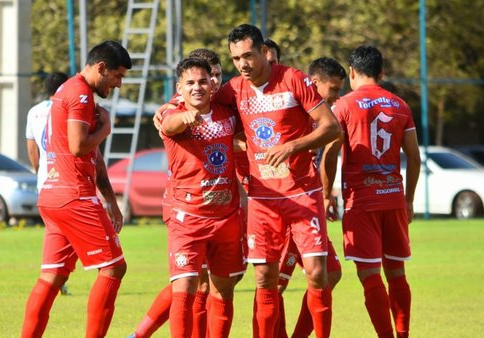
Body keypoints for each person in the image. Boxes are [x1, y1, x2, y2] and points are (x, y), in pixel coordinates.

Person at [213, 24, 341, 338]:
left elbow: (332, 127)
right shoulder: (232, 90)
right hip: (262, 198)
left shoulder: (292, 79)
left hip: (302, 193)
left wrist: (292, 146)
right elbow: (199, 103)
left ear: (264, 52)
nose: (242, 64)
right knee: (264, 279)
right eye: (235, 59)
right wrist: (168, 110)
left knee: (318, 274)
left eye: (247, 55)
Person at [21, 40, 131, 338]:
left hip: (52, 195)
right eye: (117, 75)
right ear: (101, 67)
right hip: (74, 196)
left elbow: (90, 157)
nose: (119, 84)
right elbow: (79, 145)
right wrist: (105, 129)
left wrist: (110, 200)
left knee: (52, 276)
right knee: (114, 269)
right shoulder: (80, 93)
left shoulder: (66, 90)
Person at [320, 45, 420, 338]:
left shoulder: (344, 106)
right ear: (382, 72)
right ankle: (403, 334)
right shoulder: (400, 105)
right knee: (397, 273)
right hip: (393, 199)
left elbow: (329, 153)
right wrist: (409, 199)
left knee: (369, 275)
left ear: (351, 72)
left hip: (361, 203)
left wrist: (326, 195)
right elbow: (413, 157)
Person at [132, 48, 228, 338]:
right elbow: (170, 120)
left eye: (217, 76)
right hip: (187, 206)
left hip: (227, 202)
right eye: (207, 76)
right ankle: (140, 334)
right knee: (190, 281)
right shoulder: (178, 106)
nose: (213, 82)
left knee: (215, 283)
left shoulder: (229, 103)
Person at [160, 57, 245, 338]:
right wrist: (183, 118)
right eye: (190, 83)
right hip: (188, 218)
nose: (197, 88)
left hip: (226, 218)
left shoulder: (228, 115)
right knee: (184, 287)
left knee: (223, 290)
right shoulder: (172, 115)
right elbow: (169, 125)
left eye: (202, 81)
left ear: (212, 84)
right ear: (179, 88)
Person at [275, 57, 347, 338]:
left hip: (308, 206)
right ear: (314, 83)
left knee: (330, 273)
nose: (337, 96)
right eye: (333, 89)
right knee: (273, 283)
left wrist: (326, 196)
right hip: (282, 205)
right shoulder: (289, 110)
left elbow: (329, 154)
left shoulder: (324, 116)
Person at [24, 71, 72, 296]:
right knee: (70, 233)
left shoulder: (34, 112)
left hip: (45, 180)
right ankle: (57, 275)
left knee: (54, 230)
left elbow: (32, 149)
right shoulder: (67, 107)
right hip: (69, 182)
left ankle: (54, 275)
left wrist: (40, 171)